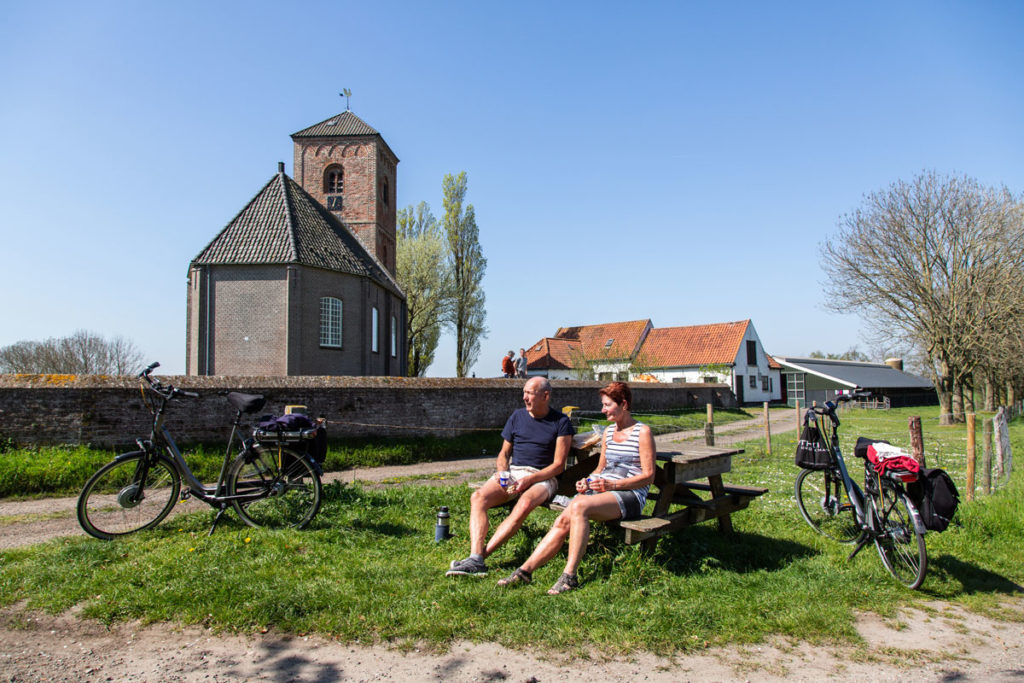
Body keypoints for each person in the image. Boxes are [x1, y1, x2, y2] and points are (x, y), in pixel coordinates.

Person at [495, 381, 655, 594]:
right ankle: (525, 571)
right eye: (603, 405)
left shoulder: (642, 432)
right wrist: (588, 480)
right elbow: (600, 468)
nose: (603, 410)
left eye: (607, 405)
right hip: (603, 490)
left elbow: (648, 476)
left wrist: (612, 484)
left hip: (630, 495)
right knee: (563, 519)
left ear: (623, 404)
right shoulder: (608, 433)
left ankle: (570, 575)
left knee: (579, 507)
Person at [447, 376, 574, 577]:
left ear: (545, 395)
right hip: (514, 473)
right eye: (523, 392)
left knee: (523, 504)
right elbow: (504, 454)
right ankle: (475, 557)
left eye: (529, 393)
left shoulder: (561, 422)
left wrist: (529, 480)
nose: (524, 398)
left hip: (543, 477)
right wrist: (503, 474)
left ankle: (479, 559)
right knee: (478, 497)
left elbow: (558, 465)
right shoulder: (517, 416)